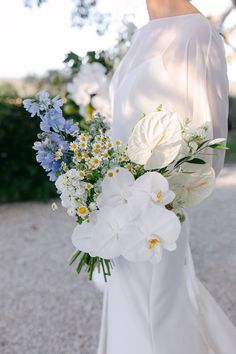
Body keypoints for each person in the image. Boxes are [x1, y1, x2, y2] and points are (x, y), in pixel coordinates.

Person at [97, 1, 236, 353]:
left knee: (162, 313)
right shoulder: (141, 33)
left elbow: (210, 139)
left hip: (159, 208)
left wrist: (166, 198)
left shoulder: (197, 32)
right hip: (118, 201)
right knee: (127, 307)